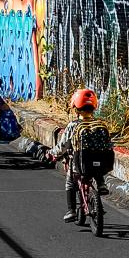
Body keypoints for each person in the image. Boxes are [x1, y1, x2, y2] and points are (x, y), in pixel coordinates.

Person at [48, 88, 111, 222]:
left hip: (79, 163)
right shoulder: (99, 125)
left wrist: (52, 154)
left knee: (70, 182)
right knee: (96, 170)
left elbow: (63, 146)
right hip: (100, 163)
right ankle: (101, 184)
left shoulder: (73, 126)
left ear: (76, 108)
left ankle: (71, 211)